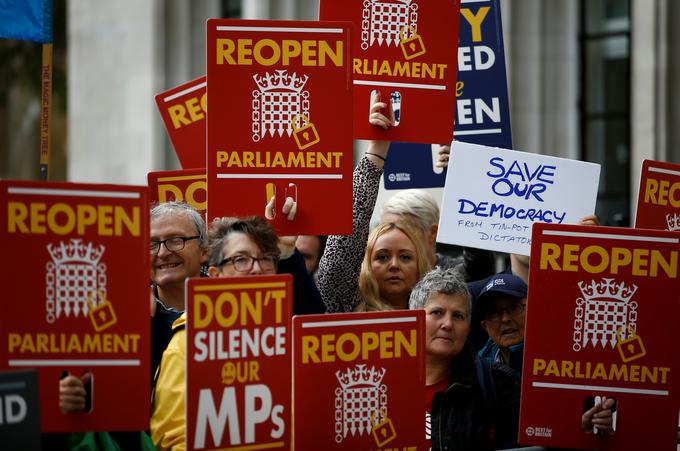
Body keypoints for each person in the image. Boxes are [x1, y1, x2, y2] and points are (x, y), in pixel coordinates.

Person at [150, 216, 324, 451]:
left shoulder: (290, 337)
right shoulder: (189, 342)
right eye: (241, 260)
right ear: (214, 274)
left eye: (265, 260)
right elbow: (174, 439)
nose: (256, 269)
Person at [317, 93, 432, 312]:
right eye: (382, 257)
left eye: (406, 257)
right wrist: (377, 151)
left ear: (422, 266)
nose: (394, 265)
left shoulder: (438, 316)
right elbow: (339, 256)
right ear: (366, 265)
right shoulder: (350, 307)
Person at [475, 273, 615, 440]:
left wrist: (588, 424)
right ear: (484, 326)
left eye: (514, 307)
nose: (505, 319)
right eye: (494, 313)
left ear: (534, 307)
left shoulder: (567, 358)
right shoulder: (475, 371)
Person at [409, 267, 520, 450]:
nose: (448, 324)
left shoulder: (498, 382)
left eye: (458, 316)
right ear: (414, 319)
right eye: (437, 312)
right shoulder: (386, 382)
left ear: (468, 328)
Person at [380, 189, 495, 282]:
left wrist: (461, 183)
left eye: (402, 231)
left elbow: (479, 263)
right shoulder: (375, 277)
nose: (391, 238)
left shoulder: (455, 276)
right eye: (385, 230)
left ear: (432, 233)